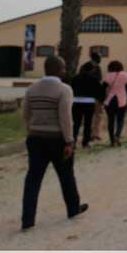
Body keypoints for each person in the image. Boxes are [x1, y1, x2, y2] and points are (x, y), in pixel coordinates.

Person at [20, 55, 87, 230]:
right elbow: (65, 117)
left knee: (33, 179)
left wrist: (31, 130)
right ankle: (73, 209)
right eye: (63, 68)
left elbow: (25, 113)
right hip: (57, 139)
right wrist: (69, 140)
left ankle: (27, 219)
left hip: (35, 138)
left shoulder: (32, 88)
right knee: (66, 175)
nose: (65, 71)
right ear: (59, 70)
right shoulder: (64, 89)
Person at [69, 61, 103, 148]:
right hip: (89, 102)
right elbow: (99, 91)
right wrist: (100, 100)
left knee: (76, 123)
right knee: (87, 124)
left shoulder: (75, 78)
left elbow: (70, 89)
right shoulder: (94, 79)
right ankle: (85, 143)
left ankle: (73, 142)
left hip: (76, 102)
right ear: (92, 70)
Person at [102, 61, 127, 147]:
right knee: (120, 120)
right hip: (122, 100)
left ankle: (112, 141)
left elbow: (103, 88)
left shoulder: (107, 75)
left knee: (110, 121)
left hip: (109, 100)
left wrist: (102, 99)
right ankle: (117, 136)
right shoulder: (125, 75)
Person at [88, 53, 105, 142]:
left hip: (88, 95)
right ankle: (94, 134)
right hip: (95, 95)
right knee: (97, 115)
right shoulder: (97, 68)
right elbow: (99, 81)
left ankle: (91, 134)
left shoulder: (84, 67)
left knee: (91, 115)